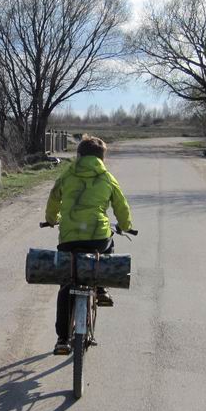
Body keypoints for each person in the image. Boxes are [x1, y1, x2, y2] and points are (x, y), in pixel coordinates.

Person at [44, 135, 133, 355]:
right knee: (108, 244)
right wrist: (125, 225)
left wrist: (51, 219)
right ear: (102, 158)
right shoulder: (107, 177)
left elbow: (54, 197)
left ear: (79, 155)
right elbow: (121, 205)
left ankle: (62, 339)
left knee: (66, 284)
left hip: (69, 240)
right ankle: (101, 288)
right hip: (97, 238)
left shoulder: (67, 175)